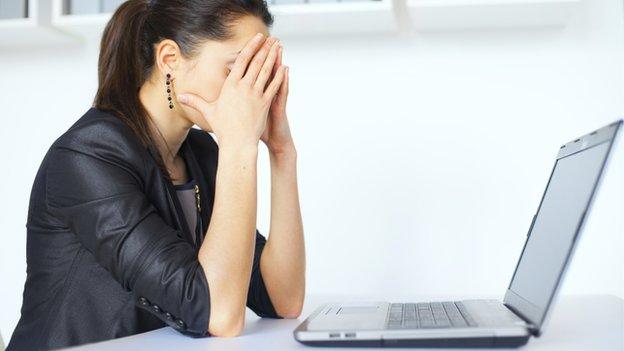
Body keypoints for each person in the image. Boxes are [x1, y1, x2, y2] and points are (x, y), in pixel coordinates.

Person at [7, 1, 305, 349]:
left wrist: (282, 154)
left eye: (258, 73)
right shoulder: (87, 157)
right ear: (169, 59)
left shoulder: (202, 153)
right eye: (237, 70)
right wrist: (239, 146)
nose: (250, 91)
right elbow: (218, 315)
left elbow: (282, 300)